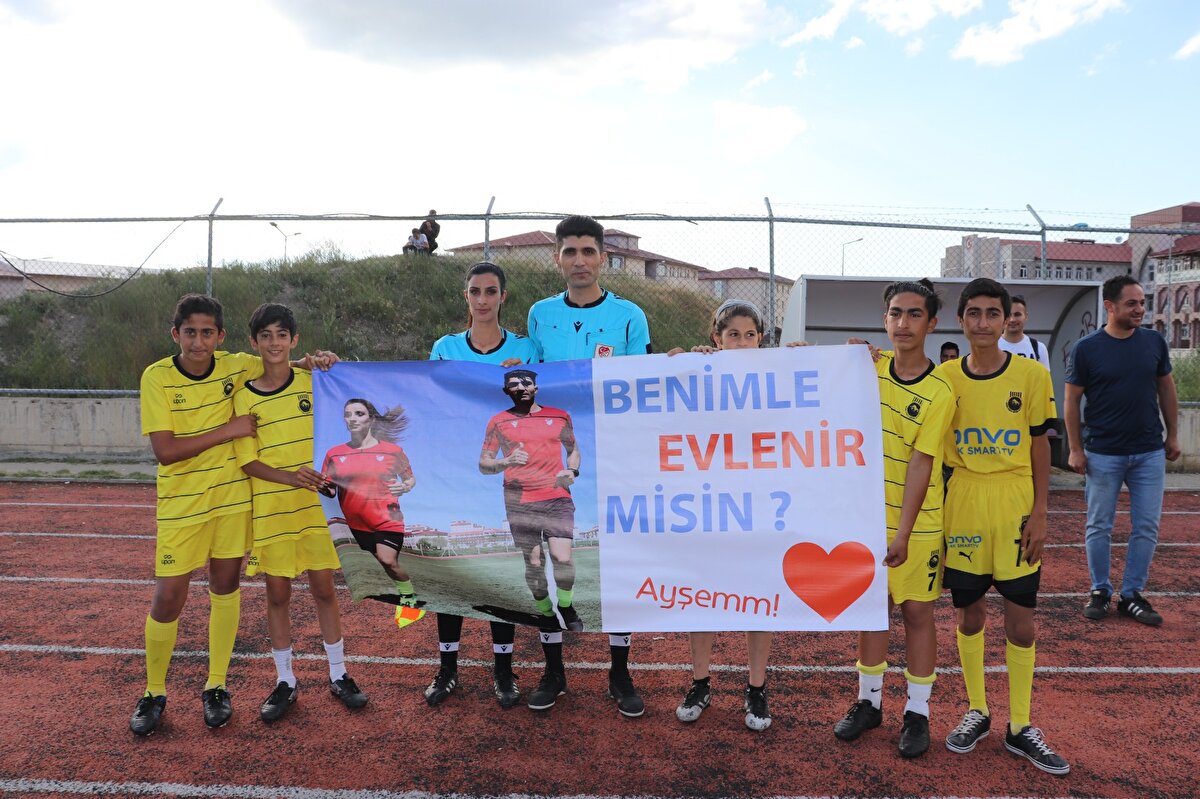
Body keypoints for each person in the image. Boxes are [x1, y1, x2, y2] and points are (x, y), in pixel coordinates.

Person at [129, 293, 328, 736]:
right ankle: (153, 691)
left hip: (233, 501)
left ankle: (216, 686)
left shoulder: (238, 364)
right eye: (189, 333)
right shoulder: (157, 377)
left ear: (220, 336)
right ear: (175, 334)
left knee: (225, 586)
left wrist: (316, 362)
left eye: (207, 333)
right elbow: (165, 452)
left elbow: (281, 364)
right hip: (182, 506)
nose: (198, 342)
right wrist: (228, 430)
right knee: (168, 599)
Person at [936, 278, 1069, 775]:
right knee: (968, 615)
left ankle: (1020, 725)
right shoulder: (946, 376)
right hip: (965, 500)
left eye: (994, 313)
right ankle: (977, 710)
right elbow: (892, 376)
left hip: (1015, 501)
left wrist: (1040, 512)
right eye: (974, 313)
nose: (984, 322)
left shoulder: (1033, 375)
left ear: (1007, 318)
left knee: (1021, 621)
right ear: (961, 320)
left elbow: (1040, 445)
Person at [524, 214, 651, 717]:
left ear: (603, 258)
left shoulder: (629, 316)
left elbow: (642, 381)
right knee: (549, 563)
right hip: (549, 460)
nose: (579, 261)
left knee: (617, 562)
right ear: (557, 258)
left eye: (588, 252)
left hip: (614, 455)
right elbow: (528, 381)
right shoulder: (539, 314)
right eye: (570, 252)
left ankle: (619, 672)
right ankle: (553, 670)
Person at [831, 280, 954, 758]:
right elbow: (803, 374)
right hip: (863, 516)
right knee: (871, 609)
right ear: (884, 319)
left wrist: (902, 533)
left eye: (914, 314)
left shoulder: (940, 389)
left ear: (931, 323)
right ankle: (870, 703)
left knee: (917, 613)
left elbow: (924, 463)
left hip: (916, 523)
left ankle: (918, 712)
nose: (903, 323)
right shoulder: (866, 367)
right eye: (895, 314)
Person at [232, 303, 368, 721]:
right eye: (266, 336)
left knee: (325, 590)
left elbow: (357, 404)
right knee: (278, 595)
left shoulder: (316, 384)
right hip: (274, 509)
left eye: (282, 335)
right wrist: (290, 478)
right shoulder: (243, 397)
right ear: (254, 343)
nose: (275, 343)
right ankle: (285, 680)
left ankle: (339, 673)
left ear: (295, 340)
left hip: (316, 508)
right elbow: (247, 462)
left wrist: (336, 365)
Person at [424, 261, 538, 709]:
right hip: (455, 475)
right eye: (476, 291)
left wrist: (525, 376)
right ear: (465, 296)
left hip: (506, 476)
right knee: (453, 572)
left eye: (492, 291)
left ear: (503, 297)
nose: (484, 299)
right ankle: (447, 668)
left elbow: (545, 404)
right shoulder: (445, 347)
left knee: (500, 570)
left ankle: (503, 671)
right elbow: (429, 400)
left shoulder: (526, 348)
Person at [668, 299, 776, 732]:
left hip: (759, 505)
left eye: (751, 335)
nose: (742, 342)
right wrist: (674, 365)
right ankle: (700, 681)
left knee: (758, 597)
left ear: (761, 339)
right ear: (716, 337)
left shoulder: (776, 374)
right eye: (733, 334)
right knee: (702, 595)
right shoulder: (700, 370)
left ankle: (756, 687)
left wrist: (810, 359)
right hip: (707, 503)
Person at [1064, 275, 1180, 626]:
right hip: (1103, 453)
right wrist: (1075, 449)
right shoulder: (1088, 348)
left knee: (1146, 525)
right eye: (1132, 303)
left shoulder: (1154, 342)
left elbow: (1167, 390)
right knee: (1099, 525)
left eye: (1142, 302)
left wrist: (1173, 435)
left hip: (1148, 452)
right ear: (1110, 306)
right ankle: (1100, 590)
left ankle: (1132, 594)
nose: (1140, 309)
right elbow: (1071, 401)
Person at [479, 369, 582, 630]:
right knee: (534, 561)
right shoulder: (497, 422)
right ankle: (546, 612)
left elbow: (573, 450)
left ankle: (566, 606)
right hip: (519, 501)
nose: (521, 387)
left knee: (562, 558)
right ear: (506, 392)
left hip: (556, 496)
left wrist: (572, 471)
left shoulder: (559, 415)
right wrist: (507, 460)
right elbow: (484, 463)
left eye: (527, 383)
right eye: (514, 385)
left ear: (536, 387)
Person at [320, 398, 425, 628]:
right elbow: (329, 491)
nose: (352, 419)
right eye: (348, 415)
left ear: (371, 419)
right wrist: (317, 484)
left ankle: (408, 598)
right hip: (357, 523)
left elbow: (409, 478)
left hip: (388, 517)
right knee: (380, 558)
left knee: (388, 559)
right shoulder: (334, 454)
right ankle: (403, 589)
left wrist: (405, 486)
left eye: (358, 414)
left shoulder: (392, 451)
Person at [998, 295, 1051, 370]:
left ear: (1026, 316)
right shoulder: (991, 346)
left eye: (1017, 314)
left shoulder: (1039, 348)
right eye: (1008, 315)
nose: (1012, 320)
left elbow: (1044, 380)